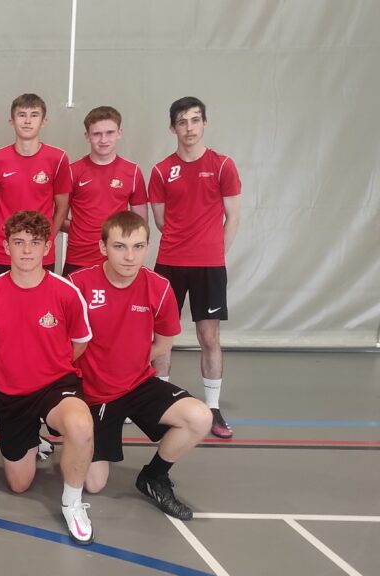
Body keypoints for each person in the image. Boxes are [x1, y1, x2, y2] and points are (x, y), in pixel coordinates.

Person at [69, 211, 212, 520]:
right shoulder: (78, 284)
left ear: (147, 247)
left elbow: (163, 344)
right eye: (120, 246)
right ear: (103, 247)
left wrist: (128, 362)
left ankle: (154, 476)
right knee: (94, 484)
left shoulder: (159, 288)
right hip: (95, 393)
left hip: (137, 383)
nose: (129, 256)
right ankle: (76, 437)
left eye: (137, 246)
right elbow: (62, 344)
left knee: (199, 418)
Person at [0, 211, 96, 545]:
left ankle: (72, 502)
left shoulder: (66, 292)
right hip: (11, 394)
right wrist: (17, 367)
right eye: (19, 242)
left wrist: (51, 364)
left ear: (47, 247)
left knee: (81, 426)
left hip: (55, 386)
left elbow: (80, 341)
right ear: (6, 246)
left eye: (35, 243)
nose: (26, 250)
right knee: (19, 484)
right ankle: (34, 440)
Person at [148, 96, 241, 439]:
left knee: (209, 337)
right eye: (182, 121)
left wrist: (214, 252)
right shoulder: (160, 170)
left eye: (195, 120)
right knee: (162, 336)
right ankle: (157, 399)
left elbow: (233, 217)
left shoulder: (222, 165)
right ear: (173, 128)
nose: (189, 127)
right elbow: (160, 220)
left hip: (209, 267)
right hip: (170, 264)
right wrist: (183, 243)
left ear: (204, 124)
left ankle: (213, 407)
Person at [0, 94, 71, 279]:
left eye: (34, 115)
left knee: (40, 306)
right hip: (3, 250)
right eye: (21, 115)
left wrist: (46, 239)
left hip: (40, 250)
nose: (27, 121)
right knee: (0, 306)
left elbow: (63, 207)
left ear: (43, 121)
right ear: (11, 121)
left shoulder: (58, 158)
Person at [62, 106, 148, 277]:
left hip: (116, 260)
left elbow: (140, 223)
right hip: (78, 258)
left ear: (119, 133)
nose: (103, 139)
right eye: (97, 134)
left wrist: (118, 239)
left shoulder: (133, 172)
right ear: (87, 136)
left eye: (109, 132)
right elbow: (57, 216)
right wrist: (82, 229)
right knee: (73, 304)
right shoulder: (73, 171)